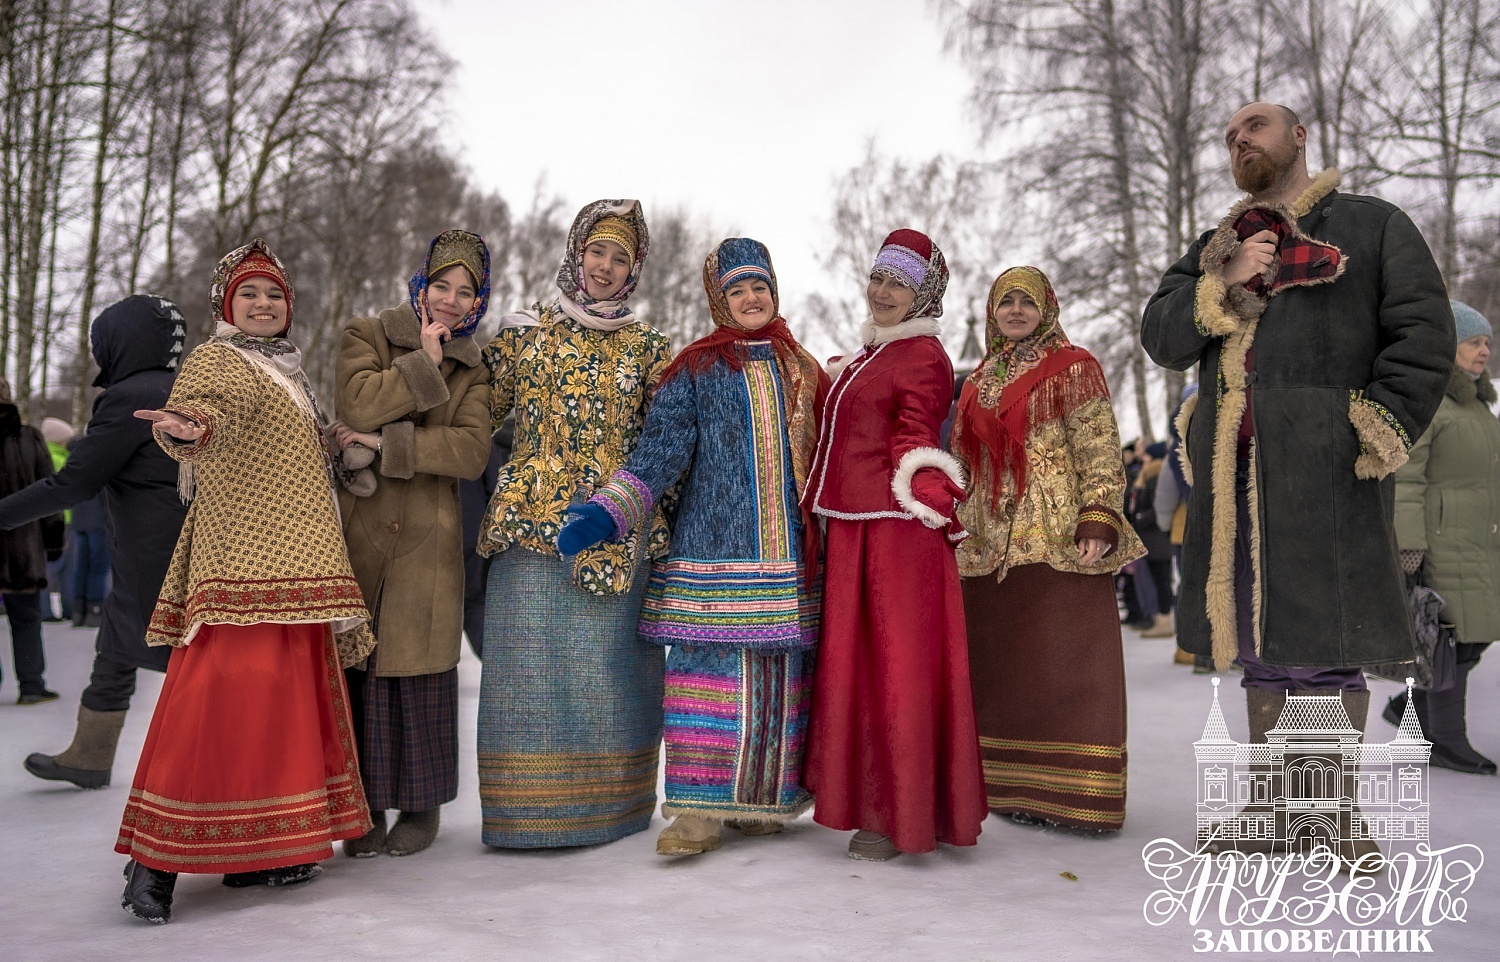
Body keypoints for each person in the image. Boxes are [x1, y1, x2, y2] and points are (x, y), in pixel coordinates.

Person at [1141, 103, 1453, 863]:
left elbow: (1423, 334)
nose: (1239, 139)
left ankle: (1330, 816)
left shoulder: (1373, 226)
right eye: (1229, 136)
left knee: (1324, 638)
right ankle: (1273, 809)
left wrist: (1373, 423)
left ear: (1300, 135)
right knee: (1258, 638)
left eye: (1255, 125)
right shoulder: (1217, 245)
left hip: (1328, 471)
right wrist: (1225, 282)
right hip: (1231, 476)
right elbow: (1161, 335)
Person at [117, 239, 375, 923]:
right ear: (226, 306)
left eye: (274, 295)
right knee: (214, 704)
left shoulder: (289, 371)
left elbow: (283, 439)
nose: (263, 305)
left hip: (299, 566)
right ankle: (155, 862)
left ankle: (263, 851)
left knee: (284, 709)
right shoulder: (218, 358)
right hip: (242, 564)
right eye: (249, 294)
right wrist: (187, 426)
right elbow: (211, 410)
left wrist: (334, 440)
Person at [559, 238, 829, 856]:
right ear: (718, 299)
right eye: (737, 289)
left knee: (778, 682)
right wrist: (610, 511)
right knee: (704, 682)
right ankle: (696, 814)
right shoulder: (695, 370)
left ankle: (763, 803)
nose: (751, 298)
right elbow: (659, 456)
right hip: (711, 555)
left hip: (790, 558)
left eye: (759, 286)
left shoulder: (804, 370)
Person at [476, 200, 673, 848]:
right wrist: (448, 343)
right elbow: (474, 413)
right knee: (528, 670)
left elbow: (667, 436)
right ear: (576, 254)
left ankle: (610, 809)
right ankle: (527, 818)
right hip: (530, 524)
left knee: (606, 673)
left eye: (621, 258)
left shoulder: (648, 346)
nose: (607, 267)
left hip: (616, 528)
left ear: (633, 269)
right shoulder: (525, 331)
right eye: (598, 252)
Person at [801, 228, 986, 861]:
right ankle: (876, 801)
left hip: (896, 531)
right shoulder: (871, 354)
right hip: (858, 525)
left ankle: (896, 813)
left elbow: (914, 429)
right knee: (860, 666)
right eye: (879, 278)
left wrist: (926, 484)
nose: (883, 292)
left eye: (899, 284)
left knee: (894, 666)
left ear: (923, 294)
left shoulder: (924, 354)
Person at [952, 265, 1144, 832]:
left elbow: (1100, 450)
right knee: (1006, 668)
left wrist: (1099, 516)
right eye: (1005, 301)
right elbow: (963, 463)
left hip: (1059, 536)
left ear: (1046, 308)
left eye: (1026, 302)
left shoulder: (1074, 368)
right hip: (988, 543)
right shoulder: (976, 382)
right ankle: (1013, 789)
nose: (1015, 310)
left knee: (1068, 663)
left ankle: (1083, 797)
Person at [332, 230, 493, 857]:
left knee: (421, 675)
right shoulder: (366, 334)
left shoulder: (476, 367)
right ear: (420, 284)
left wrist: (378, 447)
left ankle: (421, 809)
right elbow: (359, 401)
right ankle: (365, 806)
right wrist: (422, 363)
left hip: (431, 543)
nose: (451, 301)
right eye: (442, 286)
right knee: (362, 672)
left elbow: (468, 451)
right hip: (364, 535)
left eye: (465, 292)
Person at [0, 296, 188, 787]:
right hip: (169, 547)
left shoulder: (131, 396)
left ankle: (223, 773)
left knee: (187, 664)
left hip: (156, 554)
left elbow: (74, 483)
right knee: (115, 648)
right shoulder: (183, 385)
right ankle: (90, 754)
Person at [1385, 301, 1499, 775]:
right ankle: (1447, 741)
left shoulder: (1477, 404)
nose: (1484, 350)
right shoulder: (1430, 401)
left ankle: (1407, 708)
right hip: (1442, 540)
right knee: (1454, 641)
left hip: (1479, 540)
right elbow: (1406, 478)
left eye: (1488, 342)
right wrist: (1410, 545)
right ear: (1447, 347)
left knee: (1471, 641)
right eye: (1474, 342)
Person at [0, 377, 65, 703]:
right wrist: (54, 541)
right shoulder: (30, 439)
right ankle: (31, 687)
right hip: (22, 549)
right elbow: (48, 495)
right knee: (26, 620)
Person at [1128, 441, 1177, 640]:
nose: (1142, 458)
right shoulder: (1148, 475)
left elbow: (1157, 507)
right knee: (1158, 580)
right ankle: (1161, 619)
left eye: (1146, 455)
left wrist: (1139, 518)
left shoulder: (1157, 475)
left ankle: (1165, 621)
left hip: (1158, 540)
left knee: (1162, 581)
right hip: (1152, 539)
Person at [39, 417, 74, 623]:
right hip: (64, 520)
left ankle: (45, 609)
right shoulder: (61, 460)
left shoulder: (43, 456)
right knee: (61, 567)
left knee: (50, 567)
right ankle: (66, 608)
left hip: (45, 520)